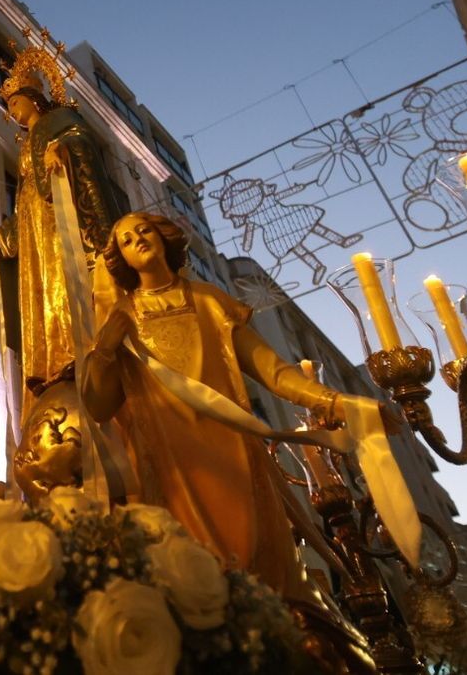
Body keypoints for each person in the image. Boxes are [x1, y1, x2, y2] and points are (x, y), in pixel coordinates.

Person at [82, 211, 377, 600]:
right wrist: (103, 353)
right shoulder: (122, 318)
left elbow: (272, 371)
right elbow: (98, 407)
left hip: (233, 454)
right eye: (125, 239)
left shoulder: (208, 300)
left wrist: (338, 402)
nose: (137, 238)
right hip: (169, 464)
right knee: (190, 572)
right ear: (120, 259)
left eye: (144, 230)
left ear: (163, 236)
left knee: (259, 570)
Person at [0, 47, 124, 397]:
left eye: (15, 103)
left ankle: (75, 350)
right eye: (9, 105)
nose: (11, 111)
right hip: (32, 226)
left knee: (62, 281)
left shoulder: (56, 122)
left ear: (33, 98)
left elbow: (80, 139)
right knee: (40, 289)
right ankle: (48, 362)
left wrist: (63, 148)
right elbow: (25, 193)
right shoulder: (27, 145)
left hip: (58, 221)